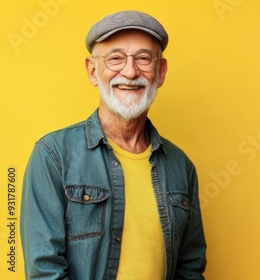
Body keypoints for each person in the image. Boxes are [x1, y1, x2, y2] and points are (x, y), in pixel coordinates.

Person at [20, 10, 207, 280]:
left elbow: (190, 268)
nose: (130, 72)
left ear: (160, 71)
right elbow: (44, 272)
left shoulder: (181, 166)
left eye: (143, 58)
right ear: (93, 71)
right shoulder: (53, 156)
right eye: (115, 58)